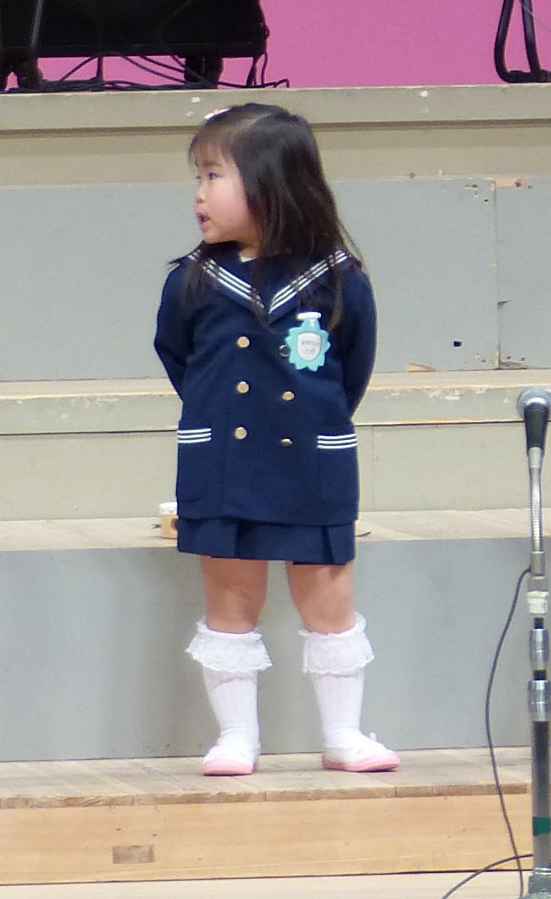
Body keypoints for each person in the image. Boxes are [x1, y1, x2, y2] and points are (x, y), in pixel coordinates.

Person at [153, 103, 393, 774]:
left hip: (310, 465)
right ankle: (237, 737)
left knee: (328, 598)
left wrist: (301, 426)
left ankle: (343, 735)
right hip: (222, 464)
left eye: (213, 176)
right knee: (230, 598)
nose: (199, 194)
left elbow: (352, 370)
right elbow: (179, 359)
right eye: (197, 177)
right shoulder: (192, 281)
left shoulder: (338, 279)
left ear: (273, 182)